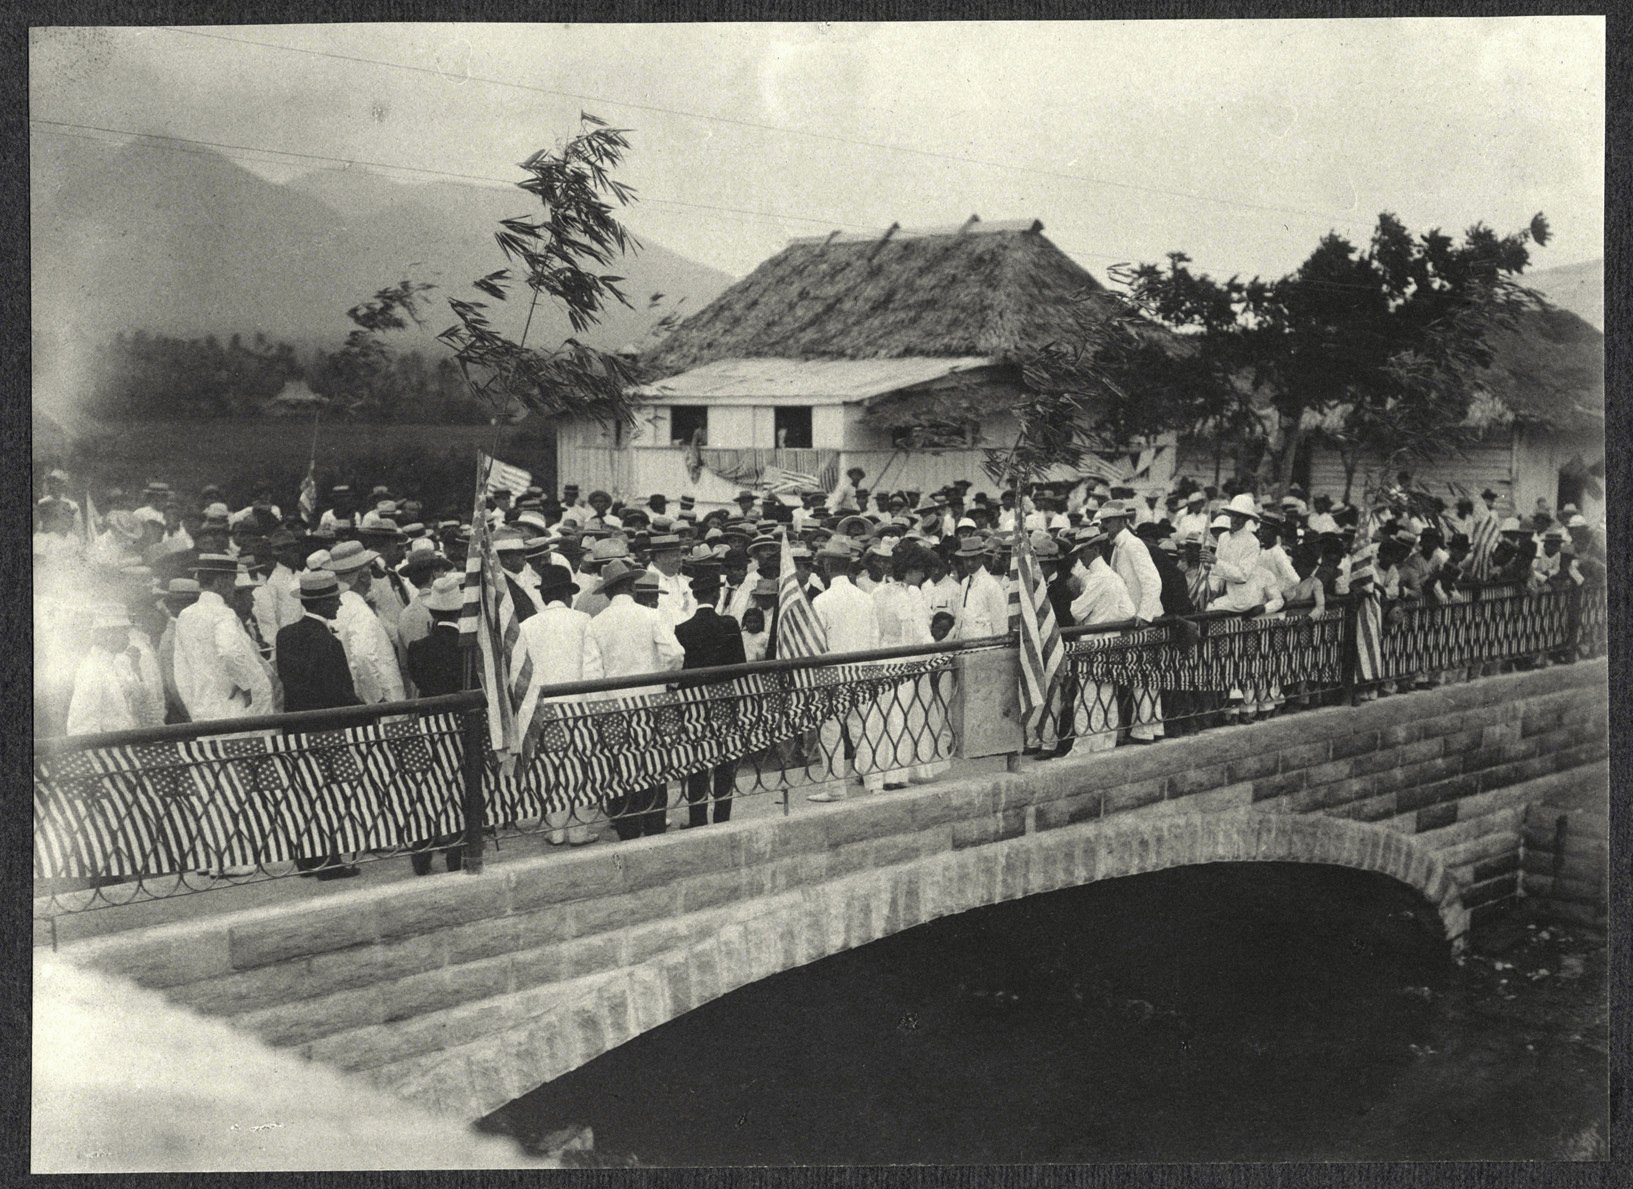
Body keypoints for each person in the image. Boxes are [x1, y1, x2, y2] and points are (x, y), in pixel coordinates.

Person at [588, 559, 684, 839]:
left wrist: (603, 708)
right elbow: (675, 655)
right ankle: (654, 826)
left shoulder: (596, 624)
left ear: (607, 592)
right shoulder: (650, 616)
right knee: (653, 767)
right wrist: (665, 680)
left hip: (614, 708)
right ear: (632, 586)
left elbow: (592, 675)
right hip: (651, 705)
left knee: (621, 770)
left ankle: (628, 830)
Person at [519, 566, 603, 845]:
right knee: (578, 767)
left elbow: (522, 673)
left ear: (544, 596)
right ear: (567, 594)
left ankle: (556, 830)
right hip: (577, 705)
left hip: (543, 706)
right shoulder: (583, 620)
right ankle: (579, 830)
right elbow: (592, 666)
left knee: (550, 767)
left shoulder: (527, 626)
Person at [401, 574, 470, 872]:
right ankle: (457, 853)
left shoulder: (417, 647)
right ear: (460, 611)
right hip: (462, 723)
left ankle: (422, 850)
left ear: (432, 611)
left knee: (429, 787)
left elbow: (417, 679)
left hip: (429, 723)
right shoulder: (469, 646)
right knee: (461, 788)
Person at [808, 537, 885, 801]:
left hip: (833, 673)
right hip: (862, 671)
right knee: (864, 728)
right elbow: (875, 640)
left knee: (831, 732)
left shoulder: (821, 602)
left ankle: (835, 788)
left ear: (828, 566)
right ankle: (875, 782)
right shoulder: (865, 599)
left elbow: (817, 645)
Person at [674, 568, 746, 827]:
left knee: (697, 761)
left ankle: (697, 818)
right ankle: (722, 817)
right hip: (724, 700)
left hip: (694, 703)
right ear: (716, 595)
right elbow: (741, 666)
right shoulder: (729, 624)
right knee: (725, 760)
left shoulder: (682, 629)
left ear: (694, 595)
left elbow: (681, 671)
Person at [173, 553, 276, 722]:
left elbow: (181, 671)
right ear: (222, 581)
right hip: (239, 711)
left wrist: (195, 708)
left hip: (206, 712)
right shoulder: (223, 613)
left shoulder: (185, 615)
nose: (233, 588)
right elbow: (229, 651)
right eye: (233, 581)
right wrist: (247, 684)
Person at [1067, 526, 1135, 755]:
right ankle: (1105, 744)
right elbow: (1128, 611)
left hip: (1093, 643)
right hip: (1111, 643)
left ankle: (1085, 748)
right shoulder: (1114, 578)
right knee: (1106, 695)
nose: (1080, 558)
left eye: (1083, 553)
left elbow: (1077, 611)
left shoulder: (1098, 579)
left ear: (1095, 549)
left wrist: (1081, 597)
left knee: (1088, 697)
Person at [324, 541, 407, 705]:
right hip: (385, 701)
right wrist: (376, 699)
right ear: (363, 576)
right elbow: (362, 657)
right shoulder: (359, 611)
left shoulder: (337, 606)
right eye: (369, 570)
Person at [66, 606, 159, 736]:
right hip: (110, 748)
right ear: (108, 635)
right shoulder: (91, 669)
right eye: (122, 632)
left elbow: (141, 702)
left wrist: (137, 670)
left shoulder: (120, 663)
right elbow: (82, 727)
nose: (127, 638)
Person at [952, 536, 1008, 641]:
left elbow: (1000, 625)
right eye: (966, 559)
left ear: (981, 557)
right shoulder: (964, 583)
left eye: (973, 559)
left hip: (984, 650)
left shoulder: (992, 585)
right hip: (964, 647)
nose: (969, 563)